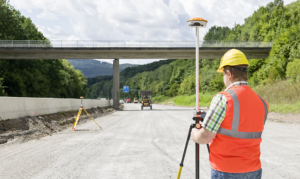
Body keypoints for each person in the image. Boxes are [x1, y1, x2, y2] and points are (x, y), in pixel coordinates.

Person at [191, 49, 268, 179]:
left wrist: (194, 133)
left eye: (223, 74)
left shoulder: (223, 99)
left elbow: (205, 137)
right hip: (254, 171)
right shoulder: (262, 103)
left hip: (226, 171)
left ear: (229, 73)